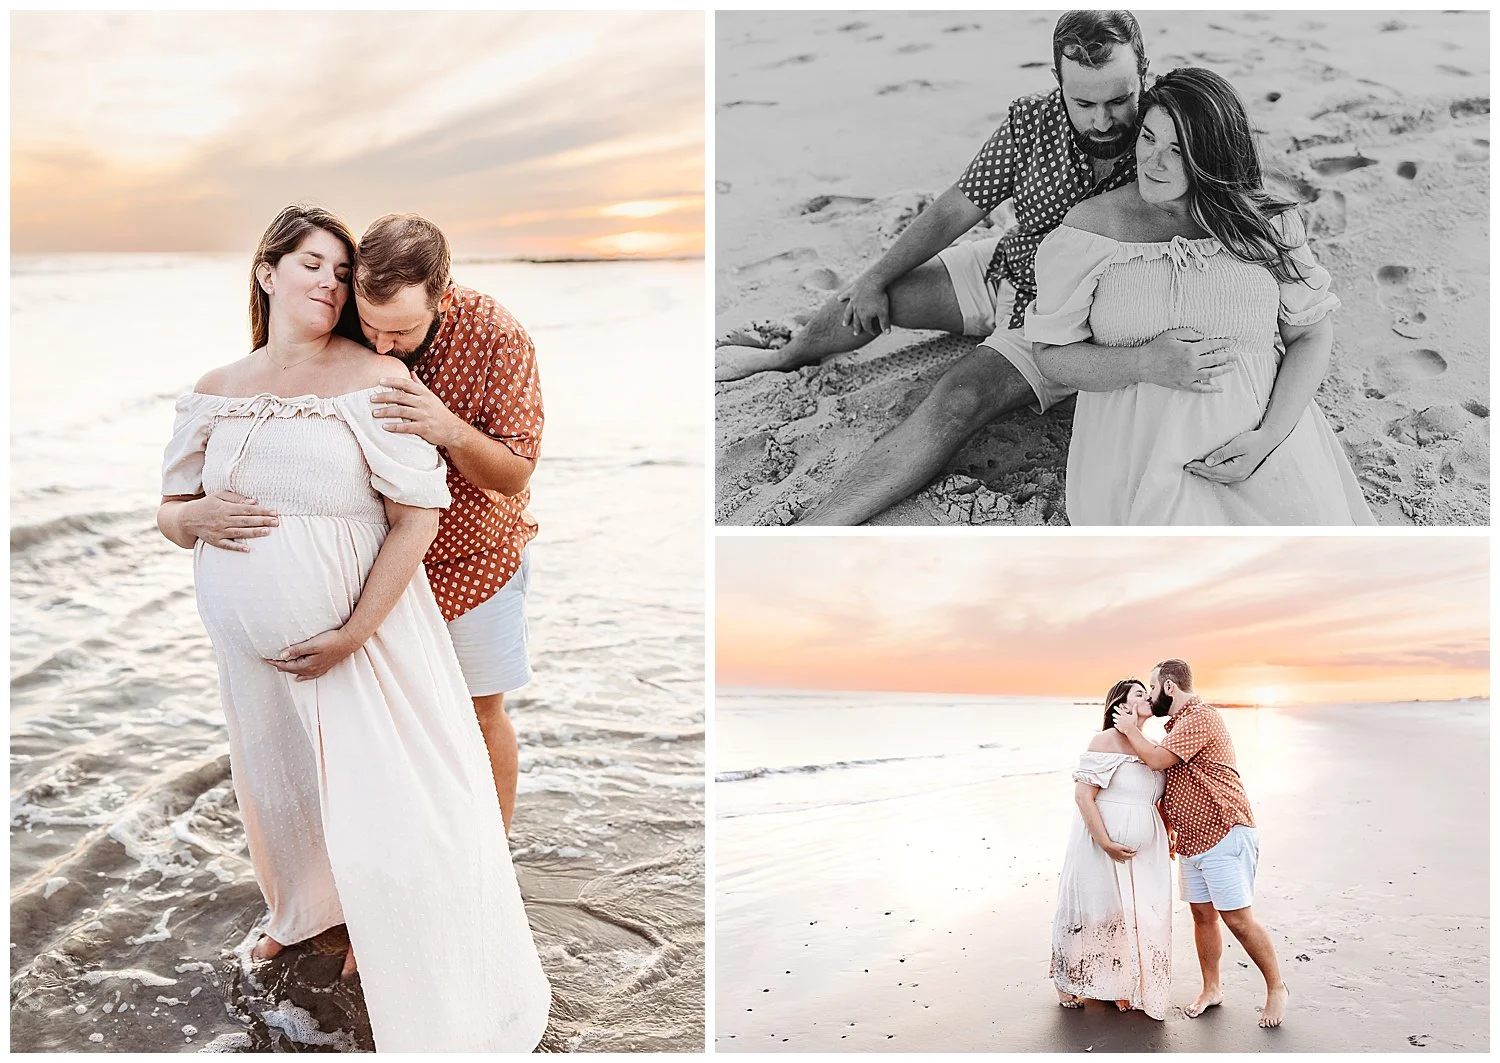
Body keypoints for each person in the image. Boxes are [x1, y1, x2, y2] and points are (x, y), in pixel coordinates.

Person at [157, 204, 551, 1051]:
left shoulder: (454, 351)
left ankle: (458, 890)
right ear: (266, 272)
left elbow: (489, 479)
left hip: (465, 563)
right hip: (279, 638)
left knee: (449, 744)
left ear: (439, 297)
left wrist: (355, 630)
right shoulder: (224, 384)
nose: (335, 291)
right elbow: (172, 505)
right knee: (286, 774)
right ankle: (310, 910)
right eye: (319, 271)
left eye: (340, 274)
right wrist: (191, 521)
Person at [717, 11, 1234, 526]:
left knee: (957, 399)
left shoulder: (1169, 140)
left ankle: (818, 528)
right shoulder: (1033, 122)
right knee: (875, 297)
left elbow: (1231, 204)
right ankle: (785, 356)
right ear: (1058, 83)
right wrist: (873, 279)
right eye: (1084, 103)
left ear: (1143, 72)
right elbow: (954, 210)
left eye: (1119, 100)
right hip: (1008, 267)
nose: (1103, 121)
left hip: (1066, 319)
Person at [1027, 67, 1376, 524]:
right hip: (1139, 460)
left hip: (1263, 449)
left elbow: (1310, 336)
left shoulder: (1264, 224)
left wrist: (1268, 438)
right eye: (1148, 138)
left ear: (1214, 157)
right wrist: (1143, 363)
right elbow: (1050, 354)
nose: (1154, 162)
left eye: (1178, 151)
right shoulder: (1089, 233)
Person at [356, 213, 542, 835]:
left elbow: (516, 473)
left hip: (478, 560)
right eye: (370, 325)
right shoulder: (350, 330)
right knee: (388, 726)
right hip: (375, 568)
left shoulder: (497, 337)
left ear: (442, 293)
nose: (382, 346)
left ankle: (493, 860)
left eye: (401, 330)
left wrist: (446, 427)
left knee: (481, 713)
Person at [1112, 659, 1289, 1029]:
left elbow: (1158, 761)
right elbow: (1173, 784)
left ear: (1169, 687)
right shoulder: (1177, 726)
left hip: (1224, 830)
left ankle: (1276, 987)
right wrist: (1171, 828)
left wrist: (1129, 729)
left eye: (1152, 686)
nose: (1150, 694)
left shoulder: (1201, 717)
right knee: (1202, 916)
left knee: (1238, 920)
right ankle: (1212, 989)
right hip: (1194, 841)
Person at [1052, 679, 1172, 1020]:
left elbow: (1157, 799)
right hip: (1100, 844)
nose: (1149, 697)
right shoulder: (1104, 741)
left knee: (1132, 914)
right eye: (1139, 693)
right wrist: (1105, 842)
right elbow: (1083, 795)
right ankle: (1069, 980)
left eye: (1148, 692)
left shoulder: (1153, 745)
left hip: (1144, 853)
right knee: (1093, 910)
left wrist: (1167, 836)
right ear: (1120, 704)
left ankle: (1119, 983)